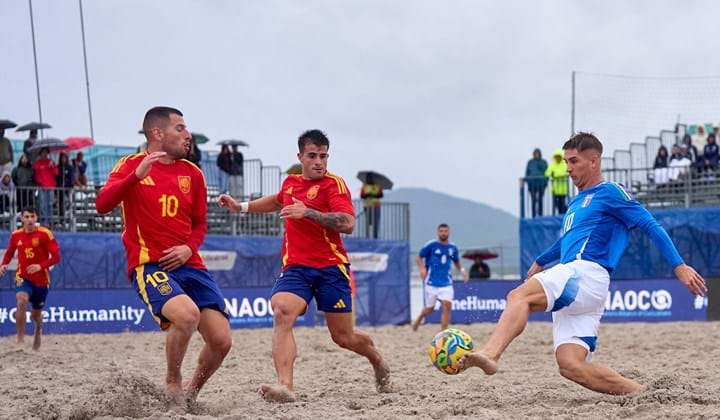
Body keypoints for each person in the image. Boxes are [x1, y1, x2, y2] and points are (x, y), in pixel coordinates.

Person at [458, 132, 707, 395]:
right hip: (584, 287)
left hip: (585, 274)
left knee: (518, 296)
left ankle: (491, 354)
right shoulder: (577, 202)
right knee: (571, 366)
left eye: (574, 161)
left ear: (594, 161)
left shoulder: (610, 192)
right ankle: (646, 394)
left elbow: (650, 224)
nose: (568, 168)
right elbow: (566, 241)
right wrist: (541, 260)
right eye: (566, 162)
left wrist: (679, 266)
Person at [218, 129, 392, 403]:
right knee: (282, 312)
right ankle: (285, 386)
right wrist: (240, 206)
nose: (319, 162)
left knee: (343, 337)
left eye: (323, 156)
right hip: (296, 267)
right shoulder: (291, 183)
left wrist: (307, 212)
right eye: (312, 156)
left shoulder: (334, 185)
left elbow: (347, 223)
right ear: (300, 156)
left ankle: (376, 357)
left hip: (331, 268)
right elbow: (277, 201)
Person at [96, 106, 231, 406]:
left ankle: (191, 397)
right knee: (187, 316)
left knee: (222, 341)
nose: (188, 134)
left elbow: (200, 224)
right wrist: (134, 177)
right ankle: (173, 378)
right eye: (180, 128)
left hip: (189, 263)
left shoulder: (193, 173)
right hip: (149, 264)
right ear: (158, 133)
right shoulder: (130, 165)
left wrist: (188, 248)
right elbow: (102, 205)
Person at [0, 207, 60, 350]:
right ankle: (20, 341)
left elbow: (57, 257)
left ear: (36, 218)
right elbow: (9, 253)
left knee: (35, 315)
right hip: (23, 276)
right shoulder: (16, 235)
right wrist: (4, 264)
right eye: (26, 217)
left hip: (41, 281)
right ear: (22, 219)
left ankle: (38, 329)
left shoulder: (45, 234)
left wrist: (40, 266)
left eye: (32, 216)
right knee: (21, 300)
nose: (30, 220)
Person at [411, 223, 469, 331]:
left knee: (447, 306)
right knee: (429, 309)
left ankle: (444, 332)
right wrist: (422, 268)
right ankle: (419, 318)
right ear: (438, 232)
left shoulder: (452, 248)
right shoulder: (432, 245)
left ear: (449, 232)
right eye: (441, 231)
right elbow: (419, 257)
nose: (443, 233)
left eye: (445, 231)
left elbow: (456, 261)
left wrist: (462, 271)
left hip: (446, 282)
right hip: (431, 282)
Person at [33, 147, 58, 227]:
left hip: (50, 186)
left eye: (46, 152)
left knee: (50, 204)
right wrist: (40, 182)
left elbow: (56, 173)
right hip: (42, 187)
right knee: (42, 204)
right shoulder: (37, 163)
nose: (45, 154)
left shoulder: (51, 162)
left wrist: (52, 166)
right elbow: (36, 174)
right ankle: (44, 222)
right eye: (43, 152)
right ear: (40, 153)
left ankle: (50, 221)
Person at [525, 148, 548, 217]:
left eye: (538, 153)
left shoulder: (543, 162)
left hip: (541, 184)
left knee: (540, 200)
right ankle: (533, 215)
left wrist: (545, 184)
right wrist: (528, 183)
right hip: (532, 185)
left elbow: (547, 173)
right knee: (533, 200)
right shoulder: (530, 162)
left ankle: (540, 215)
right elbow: (527, 173)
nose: (536, 155)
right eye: (535, 153)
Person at [545, 148, 568, 215]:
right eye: (556, 157)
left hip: (563, 190)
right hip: (555, 189)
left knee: (562, 204)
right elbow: (547, 173)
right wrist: (552, 174)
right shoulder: (553, 165)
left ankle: (564, 214)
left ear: (561, 157)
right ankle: (562, 215)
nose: (558, 158)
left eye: (559, 157)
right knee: (557, 205)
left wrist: (555, 174)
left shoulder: (564, 164)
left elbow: (565, 173)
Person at [360, 173, 383, 239]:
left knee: (376, 223)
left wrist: (372, 195)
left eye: (370, 177)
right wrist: (368, 195)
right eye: (368, 177)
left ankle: (375, 237)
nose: (369, 179)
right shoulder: (364, 186)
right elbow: (362, 195)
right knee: (368, 223)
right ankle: (367, 237)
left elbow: (381, 195)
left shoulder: (378, 185)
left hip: (376, 206)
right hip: (367, 207)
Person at [55, 152, 74, 220]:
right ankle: (61, 218)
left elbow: (71, 177)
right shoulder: (58, 167)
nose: (63, 160)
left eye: (64, 158)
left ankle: (69, 217)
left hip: (67, 188)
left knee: (68, 202)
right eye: (62, 158)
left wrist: (71, 186)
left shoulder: (69, 167)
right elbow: (56, 177)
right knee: (60, 203)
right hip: (59, 188)